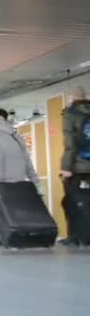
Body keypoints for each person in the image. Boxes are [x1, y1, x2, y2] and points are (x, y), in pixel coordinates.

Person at [0, 108, 42, 246]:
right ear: (6, 118)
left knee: (1, 209)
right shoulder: (15, 135)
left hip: (1, 180)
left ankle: (6, 235)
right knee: (17, 209)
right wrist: (35, 180)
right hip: (19, 179)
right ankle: (20, 234)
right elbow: (27, 160)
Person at [60, 86, 90, 246]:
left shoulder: (70, 113)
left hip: (78, 167)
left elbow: (70, 144)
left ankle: (75, 237)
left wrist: (66, 167)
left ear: (72, 98)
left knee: (70, 202)